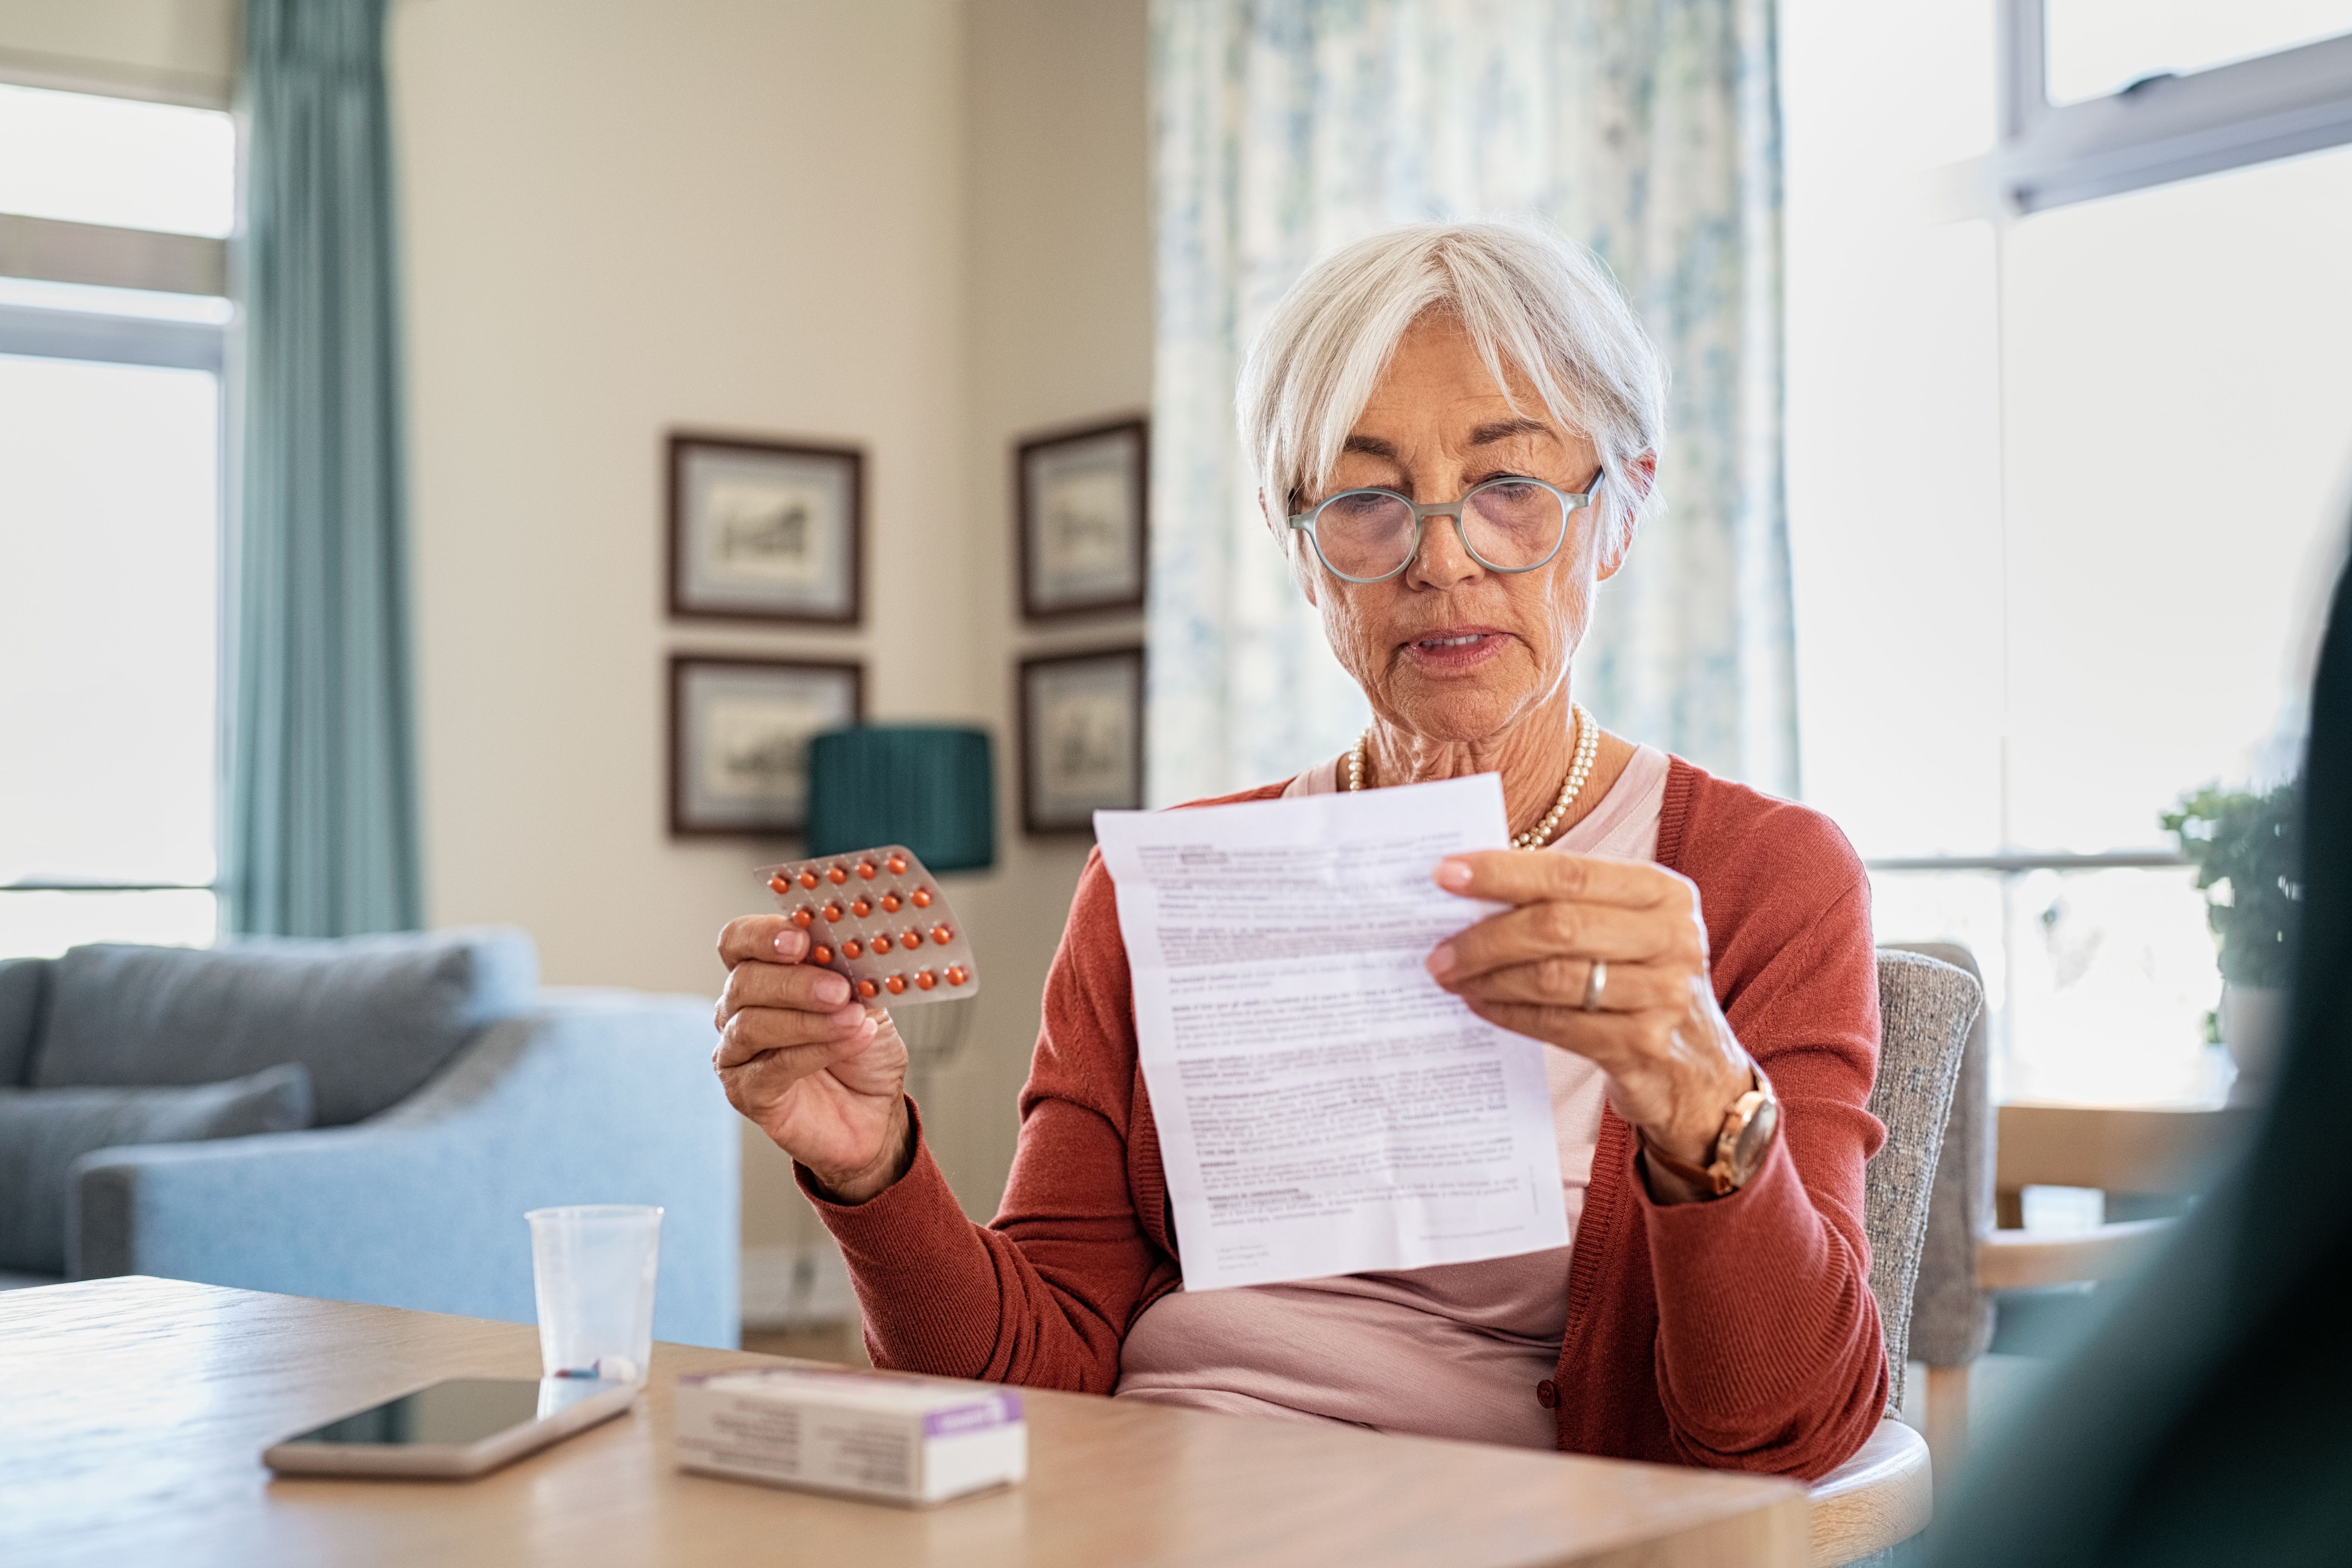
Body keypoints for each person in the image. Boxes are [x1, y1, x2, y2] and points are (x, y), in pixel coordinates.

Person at [712, 222, 1886, 1480]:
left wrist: (1704, 1097)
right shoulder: (1158, 888)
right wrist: (875, 1169)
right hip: (1136, 1503)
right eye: (1368, 502)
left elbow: (1791, 1431)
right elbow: (1030, 1380)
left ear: (1619, 515)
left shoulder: (1766, 882)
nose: (1442, 559)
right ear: (1299, 547)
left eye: (1509, 491)